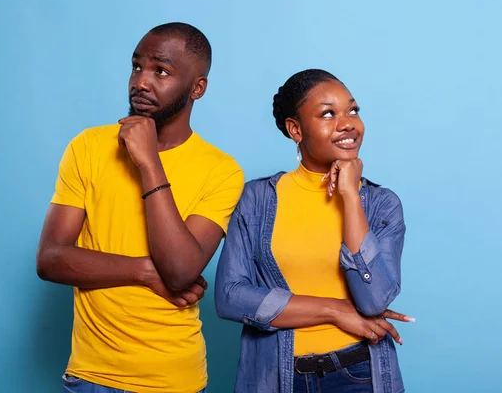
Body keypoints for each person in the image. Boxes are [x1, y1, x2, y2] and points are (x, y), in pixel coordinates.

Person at [36, 22, 244, 393]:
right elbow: (50, 259)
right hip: (89, 377)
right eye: (136, 66)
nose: (141, 82)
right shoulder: (88, 146)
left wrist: (149, 162)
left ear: (197, 88)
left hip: (172, 379)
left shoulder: (222, 170)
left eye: (160, 71)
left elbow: (180, 272)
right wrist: (147, 273)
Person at [214, 69, 413, 393]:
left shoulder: (381, 205)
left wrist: (349, 196)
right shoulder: (257, 199)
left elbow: (374, 299)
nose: (347, 122)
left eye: (353, 110)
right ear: (295, 129)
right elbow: (230, 296)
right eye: (328, 114)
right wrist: (334, 310)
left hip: (360, 375)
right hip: (277, 378)